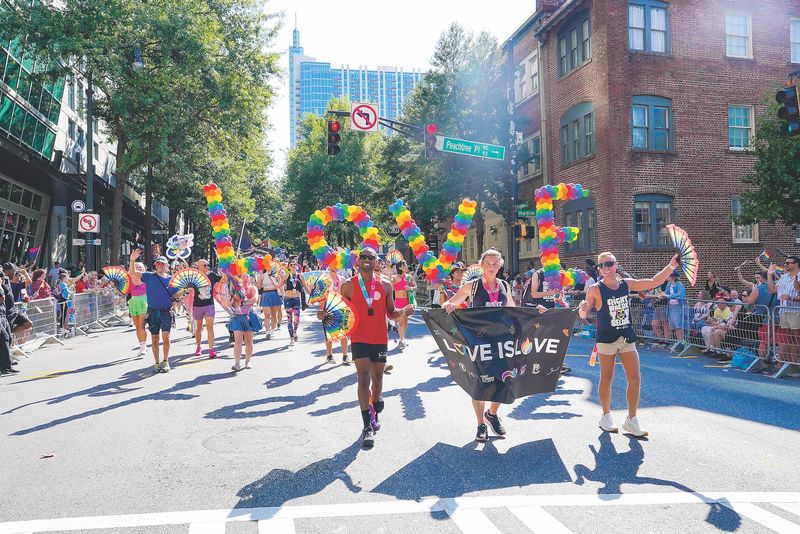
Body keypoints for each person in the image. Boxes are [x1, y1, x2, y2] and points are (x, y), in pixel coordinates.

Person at [578, 251, 680, 438]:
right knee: (606, 378)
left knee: (635, 378)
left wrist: (672, 265)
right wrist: (583, 310)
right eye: (602, 265)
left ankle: (631, 420)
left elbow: (652, 282)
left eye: (609, 264)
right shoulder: (595, 289)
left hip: (626, 337)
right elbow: (584, 314)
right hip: (606, 338)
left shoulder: (627, 284)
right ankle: (606, 415)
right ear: (598, 269)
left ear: (616, 265)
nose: (606, 268)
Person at [442, 249, 523, 443]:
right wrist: (450, 306)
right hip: (479, 343)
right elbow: (450, 304)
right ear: (481, 264)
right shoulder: (473, 286)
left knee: (503, 381)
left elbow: (513, 309)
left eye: (496, 264)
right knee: (480, 383)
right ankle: (481, 424)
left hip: (502, 342)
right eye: (488, 263)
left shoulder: (504, 285)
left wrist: (535, 313)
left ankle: (492, 415)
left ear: (500, 265)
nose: (492, 267)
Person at [338, 247, 413, 450]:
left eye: (371, 257)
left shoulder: (386, 285)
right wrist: (325, 316)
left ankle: (375, 407)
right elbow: (338, 313)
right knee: (364, 377)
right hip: (359, 338)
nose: (367, 260)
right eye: (363, 257)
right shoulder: (348, 286)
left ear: (377, 262)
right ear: (357, 261)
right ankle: (367, 426)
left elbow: (391, 314)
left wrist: (404, 311)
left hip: (380, 338)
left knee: (378, 381)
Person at [129, 250, 180, 373]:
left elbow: (176, 294)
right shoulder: (149, 276)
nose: (160, 266)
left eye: (162, 264)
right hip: (152, 312)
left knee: (166, 337)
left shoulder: (171, 280)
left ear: (167, 266)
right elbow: (133, 272)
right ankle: (157, 363)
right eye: (158, 264)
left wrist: (186, 291)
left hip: (166, 311)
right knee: (154, 339)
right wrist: (132, 260)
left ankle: (166, 361)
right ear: (155, 265)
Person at [221, 273, 260, 371]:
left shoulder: (253, 288)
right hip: (238, 317)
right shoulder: (235, 289)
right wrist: (230, 296)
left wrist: (244, 301)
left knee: (249, 342)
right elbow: (228, 304)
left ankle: (248, 361)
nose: (245, 278)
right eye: (243, 277)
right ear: (240, 279)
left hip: (249, 317)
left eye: (247, 276)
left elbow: (255, 299)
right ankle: (237, 363)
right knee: (238, 341)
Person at [768, 257, 800, 364]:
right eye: (785, 263)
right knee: (789, 338)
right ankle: (792, 363)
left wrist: (791, 298)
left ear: (796, 264)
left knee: (796, 338)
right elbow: (772, 290)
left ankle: (796, 363)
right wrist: (769, 274)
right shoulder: (784, 277)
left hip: (795, 311)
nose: (785, 265)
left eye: (788, 263)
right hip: (783, 311)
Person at [190, 259, 222, 358]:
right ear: (198, 266)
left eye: (207, 265)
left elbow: (224, 280)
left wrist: (226, 269)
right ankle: (199, 347)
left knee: (209, 326)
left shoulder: (212, 275)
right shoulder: (194, 277)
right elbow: (188, 288)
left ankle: (211, 349)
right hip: (197, 306)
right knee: (199, 328)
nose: (207, 266)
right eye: (204, 265)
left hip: (209, 305)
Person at [279, 258, 310, 346]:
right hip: (288, 299)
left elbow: (305, 286)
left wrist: (312, 295)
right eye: (291, 265)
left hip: (296, 299)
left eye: (294, 264)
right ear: (289, 267)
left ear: (297, 266)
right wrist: (283, 292)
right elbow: (278, 285)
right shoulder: (286, 276)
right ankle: (291, 338)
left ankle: (295, 332)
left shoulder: (300, 276)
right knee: (289, 319)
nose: (293, 266)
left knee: (297, 319)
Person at [324, 269, 350, 365]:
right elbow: (321, 295)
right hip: (329, 308)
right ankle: (329, 355)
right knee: (329, 333)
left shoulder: (343, 279)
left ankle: (345, 356)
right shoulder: (325, 279)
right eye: (332, 265)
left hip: (341, 307)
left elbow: (347, 294)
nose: (334, 267)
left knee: (344, 333)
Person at [391, 261, 415, 349]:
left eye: (406, 265)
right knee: (401, 321)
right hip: (399, 301)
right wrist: (389, 271)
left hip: (407, 301)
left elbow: (415, 286)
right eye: (404, 265)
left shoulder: (409, 277)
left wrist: (411, 288)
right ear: (400, 267)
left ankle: (402, 339)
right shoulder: (395, 277)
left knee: (405, 321)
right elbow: (389, 282)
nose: (406, 266)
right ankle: (401, 340)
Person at [127, 261, 149, 357]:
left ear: (143, 269)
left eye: (140, 267)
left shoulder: (146, 278)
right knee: (137, 326)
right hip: (133, 302)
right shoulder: (129, 279)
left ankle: (143, 346)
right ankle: (141, 345)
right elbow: (123, 292)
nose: (138, 269)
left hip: (144, 302)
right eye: (136, 267)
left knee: (141, 325)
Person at [257, 266, 282, 340]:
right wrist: (257, 283)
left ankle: (272, 330)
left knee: (274, 314)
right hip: (265, 294)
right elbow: (259, 287)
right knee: (267, 314)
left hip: (274, 294)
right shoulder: (261, 276)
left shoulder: (276, 275)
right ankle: (267, 331)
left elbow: (280, 285)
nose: (269, 267)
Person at [665, 270, 686, 342]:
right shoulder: (668, 284)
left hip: (678, 307)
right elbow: (666, 294)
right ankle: (678, 341)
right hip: (670, 306)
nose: (666, 277)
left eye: (668, 275)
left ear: (672, 277)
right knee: (673, 325)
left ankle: (681, 341)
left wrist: (668, 296)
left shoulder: (679, 285)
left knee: (678, 325)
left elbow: (680, 295)